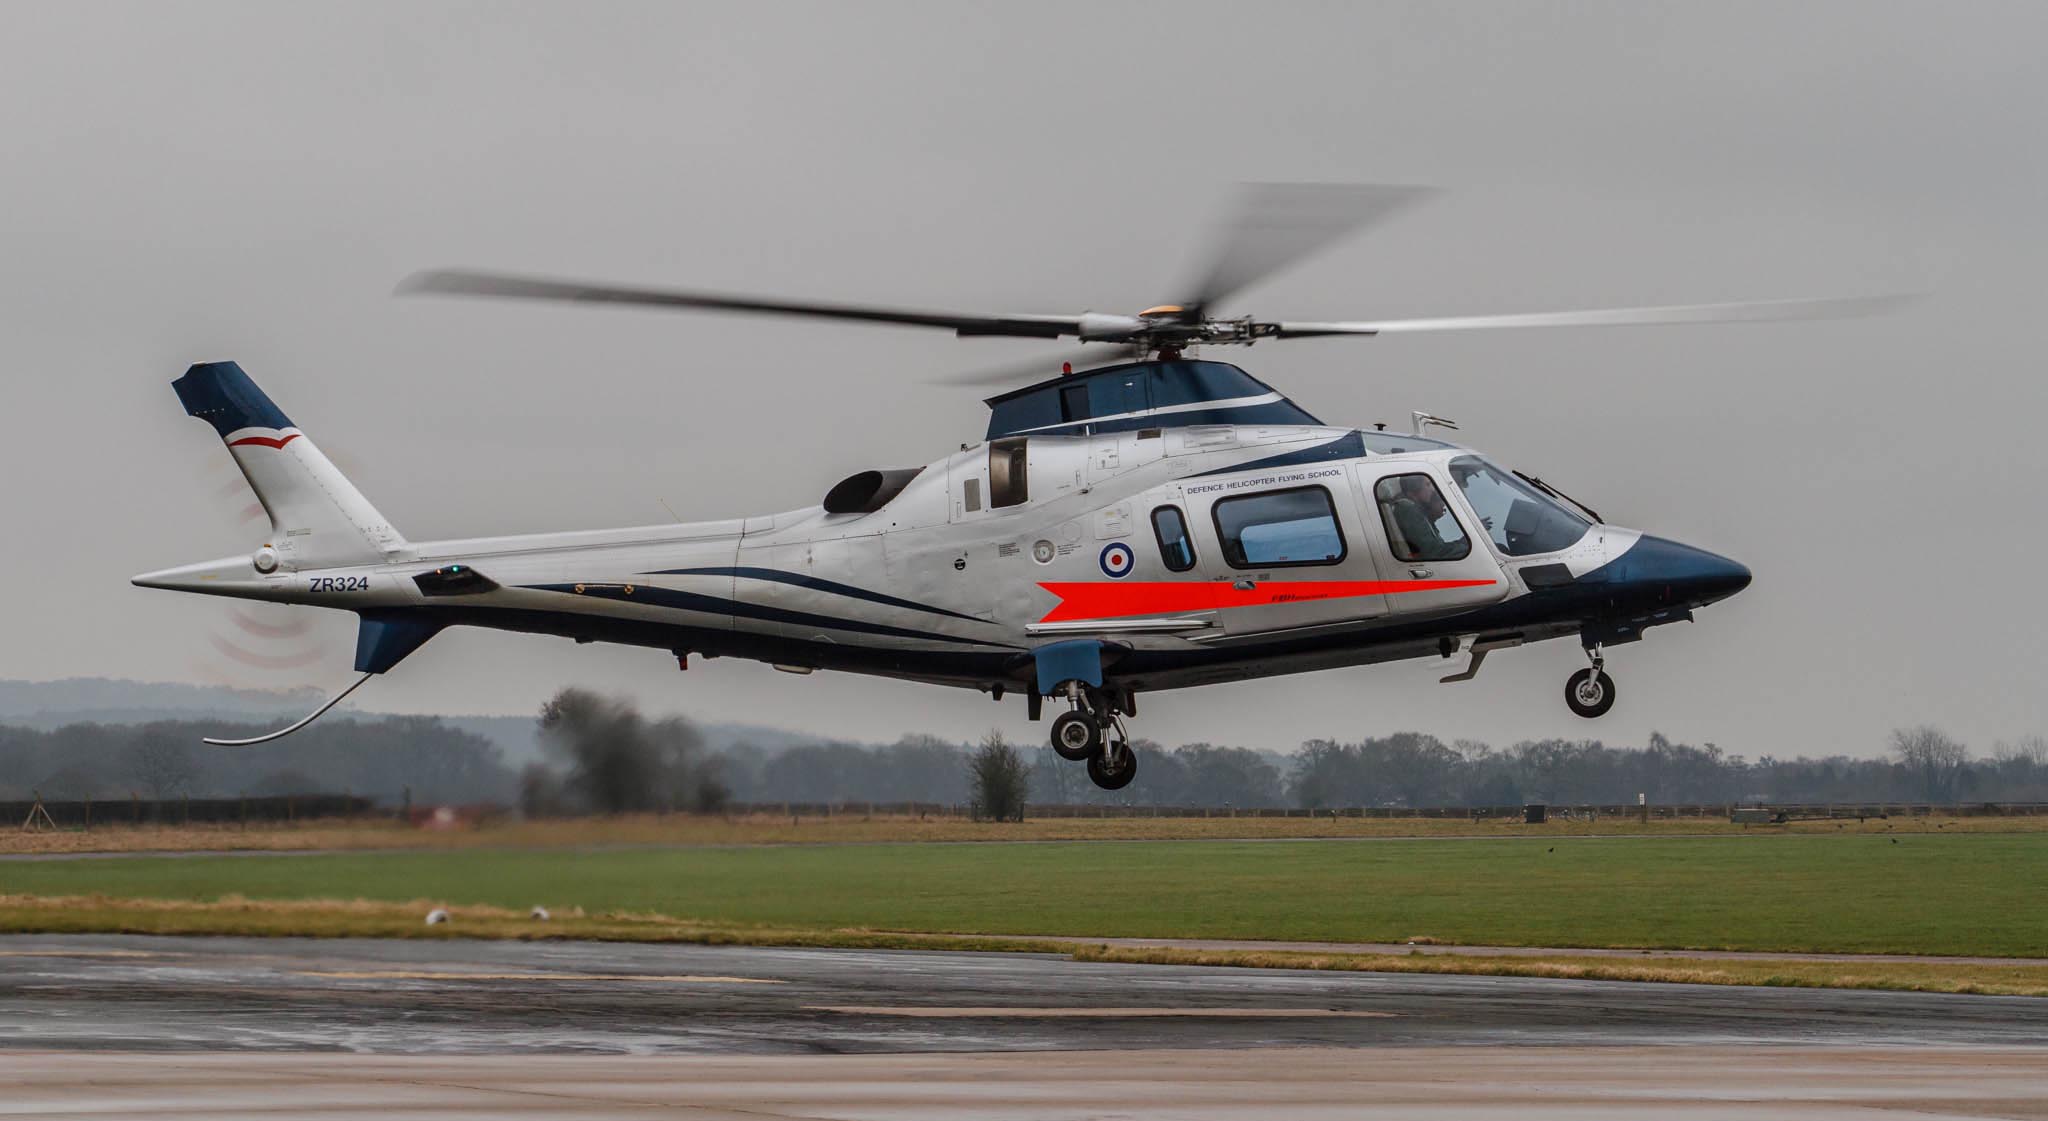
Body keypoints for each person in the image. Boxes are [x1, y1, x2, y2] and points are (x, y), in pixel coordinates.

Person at [1389, 475, 1464, 561]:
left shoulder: (1417, 512)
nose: (1432, 489)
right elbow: (1433, 552)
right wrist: (1464, 546)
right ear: (1413, 493)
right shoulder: (1407, 508)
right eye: (1427, 485)